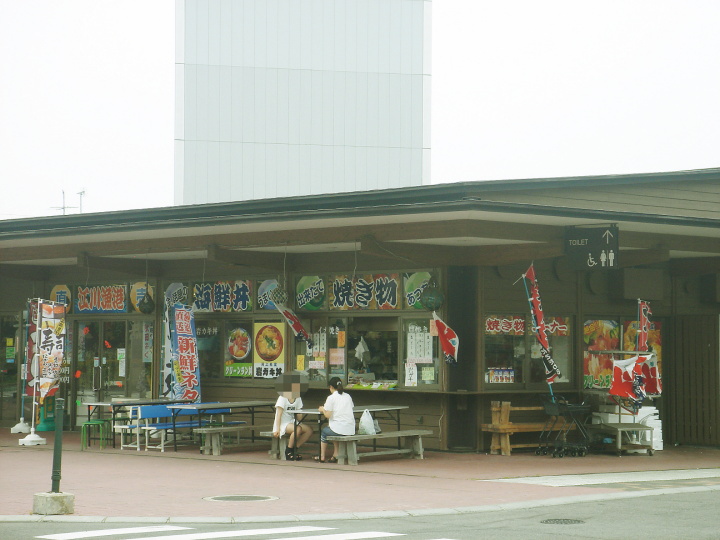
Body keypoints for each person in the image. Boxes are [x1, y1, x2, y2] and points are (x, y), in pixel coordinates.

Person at [273, 372, 313, 461]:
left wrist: (300, 415)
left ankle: (295, 448)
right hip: (283, 423)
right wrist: (277, 429)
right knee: (297, 429)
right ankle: (288, 451)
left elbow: (299, 415)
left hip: (293, 422)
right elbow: (278, 415)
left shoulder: (298, 397)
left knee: (309, 430)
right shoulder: (282, 397)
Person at [315, 376, 355, 463]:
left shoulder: (331, 398)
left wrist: (322, 409)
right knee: (332, 429)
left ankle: (322, 456)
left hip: (339, 428)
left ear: (331, 387)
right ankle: (335, 454)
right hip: (351, 429)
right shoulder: (347, 396)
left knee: (325, 432)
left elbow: (328, 415)